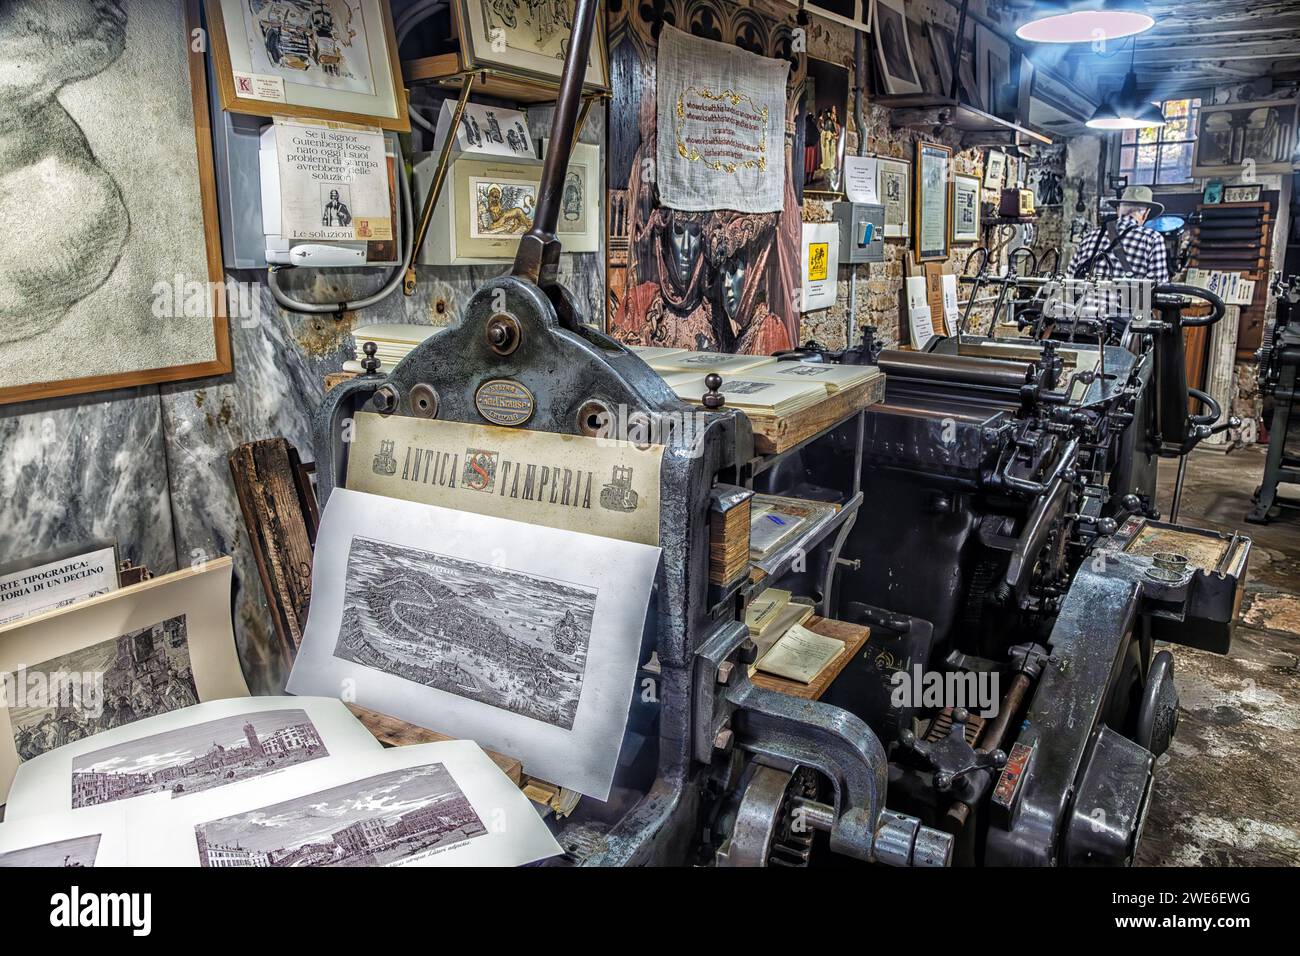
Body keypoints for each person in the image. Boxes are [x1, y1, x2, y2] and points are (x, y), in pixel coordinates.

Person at [1068, 185, 1169, 285]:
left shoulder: (1089, 237)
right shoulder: (1152, 239)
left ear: (1118, 210)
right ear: (1146, 213)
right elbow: (1159, 286)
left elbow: (1070, 278)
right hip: (1128, 301)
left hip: (1085, 301)